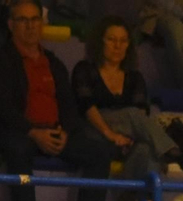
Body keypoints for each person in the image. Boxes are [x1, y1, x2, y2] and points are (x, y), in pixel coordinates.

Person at [0, 1, 114, 201]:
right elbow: (1, 108)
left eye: (35, 19)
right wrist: (33, 132)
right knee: (18, 150)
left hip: (54, 132)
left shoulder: (54, 63)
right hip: (19, 133)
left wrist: (65, 132)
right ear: (10, 24)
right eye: (23, 20)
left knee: (100, 152)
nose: (30, 25)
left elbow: (69, 107)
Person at [72, 16, 176, 184]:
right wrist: (110, 134)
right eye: (112, 40)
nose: (117, 46)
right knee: (131, 114)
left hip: (126, 138)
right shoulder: (85, 69)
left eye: (123, 41)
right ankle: (171, 150)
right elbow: (86, 106)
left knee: (146, 150)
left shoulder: (134, 77)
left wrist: (126, 138)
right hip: (95, 131)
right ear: (100, 42)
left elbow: (142, 113)